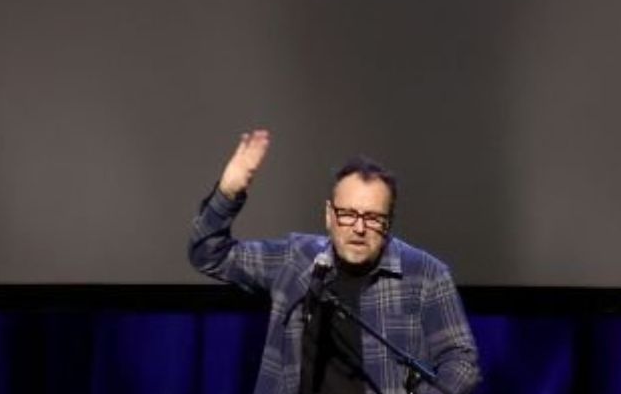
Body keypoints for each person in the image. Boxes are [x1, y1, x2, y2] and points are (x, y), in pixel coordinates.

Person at [189, 129, 481, 394]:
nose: (358, 227)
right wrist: (228, 194)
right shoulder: (296, 259)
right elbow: (208, 253)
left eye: (372, 217)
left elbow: (461, 362)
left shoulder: (426, 275)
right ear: (329, 215)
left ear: (389, 223)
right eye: (348, 214)